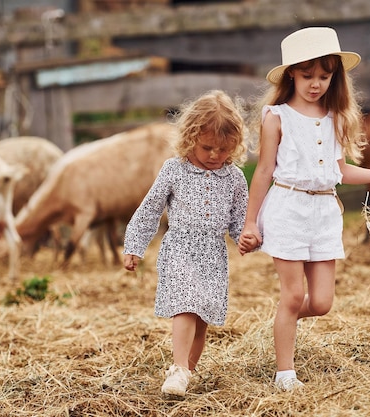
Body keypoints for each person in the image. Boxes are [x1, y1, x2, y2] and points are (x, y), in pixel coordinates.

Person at [237, 27, 370, 391]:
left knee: (321, 302)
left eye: (324, 76)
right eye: (307, 76)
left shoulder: (336, 117)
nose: (315, 84)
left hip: (323, 214)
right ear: (291, 75)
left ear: (335, 76)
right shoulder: (277, 117)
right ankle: (285, 372)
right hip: (288, 208)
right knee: (293, 296)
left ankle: (280, 323)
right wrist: (250, 222)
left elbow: (341, 170)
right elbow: (264, 172)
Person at [123, 90, 256, 398]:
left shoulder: (235, 178)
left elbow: (240, 222)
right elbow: (150, 209)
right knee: (185, 304)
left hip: (213, 253)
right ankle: (178, 369)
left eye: (223, 149)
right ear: (190, 137)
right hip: (180, 248)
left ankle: (187, 374)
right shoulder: (175, 169)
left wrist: (249, 239)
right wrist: (134, 246)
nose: (214, 155)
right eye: (207, 147)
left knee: (202, 317)